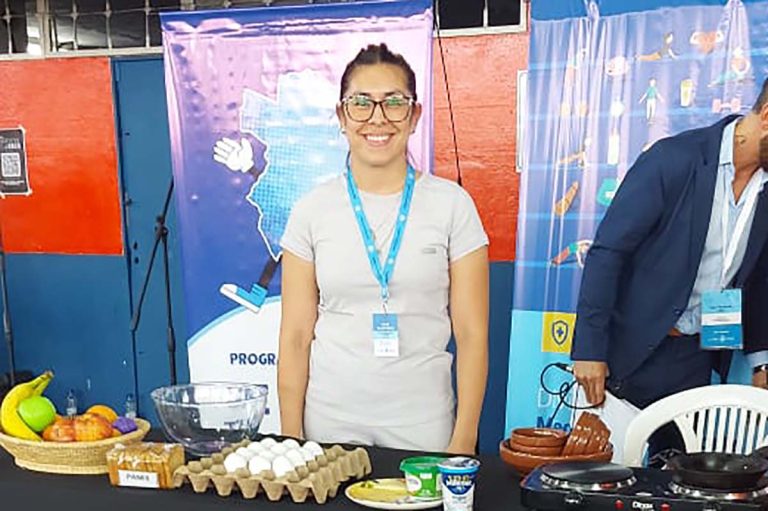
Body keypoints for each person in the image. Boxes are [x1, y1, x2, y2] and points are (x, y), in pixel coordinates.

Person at [277, 43, 489, 454]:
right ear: (342, 117)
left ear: (415, 115)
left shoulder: (453, 205)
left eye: (394, 102)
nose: (378, 118)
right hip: (329, 425)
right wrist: (291, 440)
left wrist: (464, 438)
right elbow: (296, 337)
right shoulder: (311, 210)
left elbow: (471, 334)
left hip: (424, 425)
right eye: (361, 103)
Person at [572, 78, 768, 460]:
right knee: (605, 476)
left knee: (678, 479)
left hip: (695, 360)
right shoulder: (673, 159)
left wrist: (762, 361)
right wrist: (590, 350)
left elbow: (759, 280)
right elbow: (608, 253)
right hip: (628, 355)